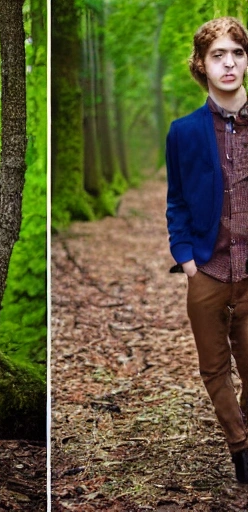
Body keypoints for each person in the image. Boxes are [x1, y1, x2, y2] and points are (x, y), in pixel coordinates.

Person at [166, 17, 248, 483]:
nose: (229, 63)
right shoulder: (184, 131)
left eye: (237, 52)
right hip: (209, 269)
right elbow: (175, 198)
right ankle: (240, 447)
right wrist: (186, 257)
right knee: (214, 366)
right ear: (202, 64)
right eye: (219, 54)